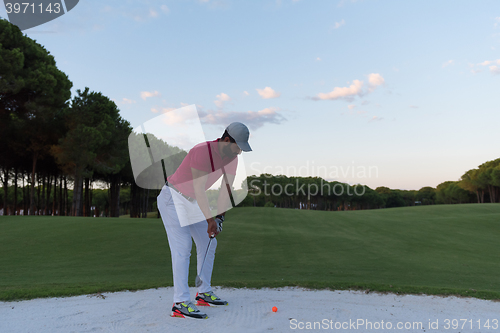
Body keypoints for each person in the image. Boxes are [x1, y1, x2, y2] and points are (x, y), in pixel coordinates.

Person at [157, 122, 252, 319]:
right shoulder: (202, 151)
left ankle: (203, 293)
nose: (240, 152)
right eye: (238, 147)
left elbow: (226, 190)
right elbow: (199, 188)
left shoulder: (232, 158)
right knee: (182, 249)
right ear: (227, 140)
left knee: (209, 241)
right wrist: (209, 219)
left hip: (191, 202)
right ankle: (180, 303)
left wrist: (219, 218)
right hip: (173, 199)